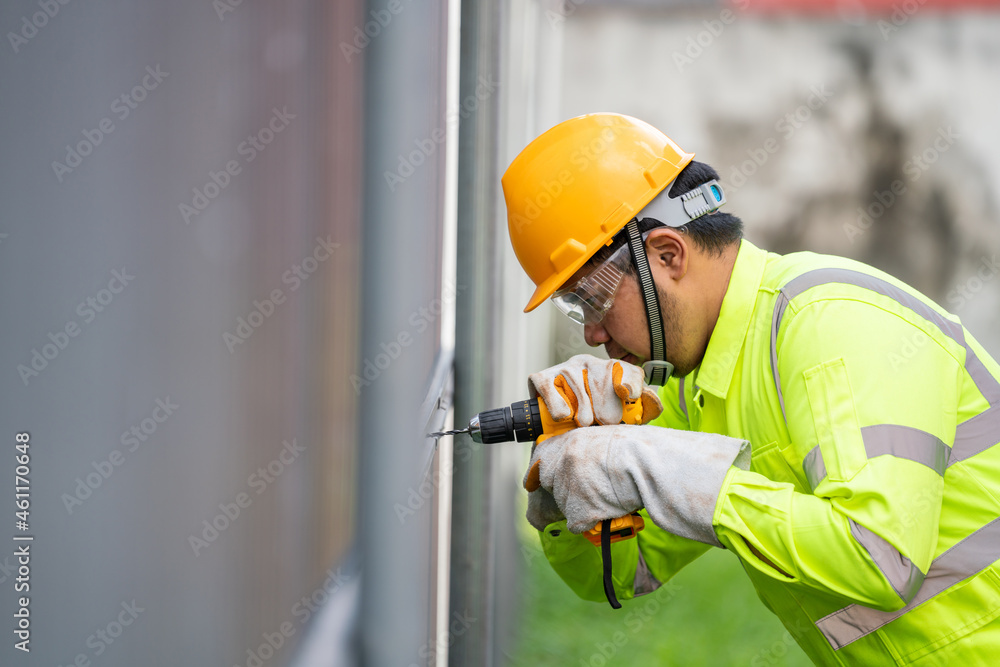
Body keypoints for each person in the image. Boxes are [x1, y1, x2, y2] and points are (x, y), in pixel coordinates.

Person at [502, 112, 1000, 665]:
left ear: (668, 255)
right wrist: (565, 490)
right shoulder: (701, 382)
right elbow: (622, 574)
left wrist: (696, 480)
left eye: (592, 298)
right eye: (576, 309)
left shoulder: (832, 322)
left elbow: (881, 558)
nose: (593, 333)